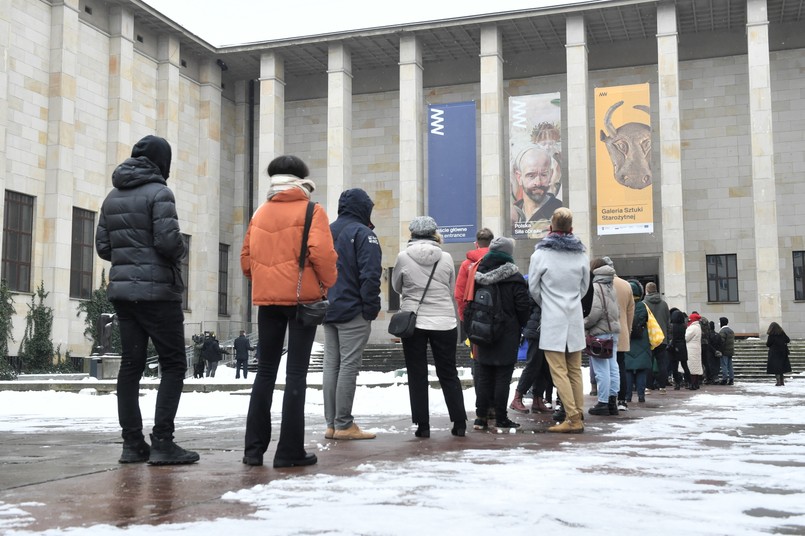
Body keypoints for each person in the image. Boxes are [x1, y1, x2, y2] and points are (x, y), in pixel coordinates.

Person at [95, 134, 199, 465]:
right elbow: (169, 243)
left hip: (125, 295)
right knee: (173, 364)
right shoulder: (160, 193)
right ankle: (163, 442)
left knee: (131, 365)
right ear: (162, 162)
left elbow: (103, 247)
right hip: (158, 295)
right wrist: (179, 252)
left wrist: (131, 260)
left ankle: (132, 444)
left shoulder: (112, 197)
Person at [241, 155, 338, 468]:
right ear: (302, 180)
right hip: (302, 301)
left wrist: (266, 278)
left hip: (267, 302)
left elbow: (246, 260)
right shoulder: (313, 210)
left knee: (265, 373)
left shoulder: (260, 212)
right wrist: (327, 282)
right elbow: (323, 255)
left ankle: (252, 451)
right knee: (296, 373)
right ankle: (289, 451)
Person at [392, 216, 467, 438]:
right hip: (444, 321)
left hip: (414, 321)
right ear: (434, 234)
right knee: (448, 372)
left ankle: (423, 426)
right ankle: (459, 422)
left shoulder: (403, 257)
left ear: (412, 234)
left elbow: (397, 286)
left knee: (417, 373)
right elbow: (450, 287)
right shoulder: (446, 257)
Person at [322, 188, 382, 441]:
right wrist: (371, 308)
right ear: (363, 209)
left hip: (329, 307)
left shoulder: (326, 231)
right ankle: (344, 424)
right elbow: (370, 274)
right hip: (353, 309)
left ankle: (332, 424)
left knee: (331, 366)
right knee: (348, 366)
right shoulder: (363, 234)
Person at [528, 207, 589, 433]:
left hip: (552, 317)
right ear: (571, 229)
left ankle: (572, 418)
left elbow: (533, 287)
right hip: (573, 316)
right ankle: (578, 414)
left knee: (559, 370)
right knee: (574, 369)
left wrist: (548, 303)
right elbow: (584, 288)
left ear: (550, 227)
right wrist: (571, 301)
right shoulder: (581, 255)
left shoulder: (540, 255)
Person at [470, 237, 530, 430]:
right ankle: (501, 417)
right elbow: (523, 307)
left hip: (483, 331)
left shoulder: (479, 273)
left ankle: (481, 417)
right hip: (507, 333)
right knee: (503, 376)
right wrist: (520, 325)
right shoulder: (515, 277)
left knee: (484, 374)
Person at [583, 258, 620, 416]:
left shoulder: (595, 287)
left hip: (600, 332)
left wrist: (583, 323)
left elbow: (595, 312)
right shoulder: (611, 285)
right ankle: (613, 402)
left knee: (601, 369)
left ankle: (603, 402)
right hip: (613, 330)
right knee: (613, 367)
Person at [512, 146, 563, 238]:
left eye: (543, 175)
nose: (538, 182)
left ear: (551, 175)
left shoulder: (560, 212)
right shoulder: (514, 213)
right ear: (519, 177)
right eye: (531, 175)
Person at [610, 260, 635, 411]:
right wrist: (628, 329)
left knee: (606, 367)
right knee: (620, 366)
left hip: (604, 330)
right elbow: (631, 311)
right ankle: (622, 400)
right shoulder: (626, 285)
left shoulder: (599, 284)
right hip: (622, 329)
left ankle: (608, 398)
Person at [455, 228, 494, 321]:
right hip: (498, 315)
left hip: (474, 315)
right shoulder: (501, 261)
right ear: (492, 243)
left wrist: (463, 316)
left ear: (476, 244)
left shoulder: (466, 264)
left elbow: (460, 293)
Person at [624, 280, 651, 404]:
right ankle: (641, 396)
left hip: (627, 340)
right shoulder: (642, 306)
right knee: (641, 370)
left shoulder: (624, 305)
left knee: (628, 370)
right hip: (642, 341)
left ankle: (627, 396)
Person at [643, 282, 671, 393]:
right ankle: (662, 387)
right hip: (662, 338)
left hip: (649, 338)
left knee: (648, 363)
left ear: (647, 290)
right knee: (662, 363)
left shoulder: (643, 304)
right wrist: (668, 337)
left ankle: (648, 386)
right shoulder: (664, 304)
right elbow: (668, 323)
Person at [668, 308, 691, 389]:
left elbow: (672, 338)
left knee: (675, 367)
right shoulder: (684, 326)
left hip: (674, 347)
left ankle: (677, 383)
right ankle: (689, 382)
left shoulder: (671, 326)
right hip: (682, 346)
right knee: (685, 365)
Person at [765, 321, 791, 386]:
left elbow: (768, 344)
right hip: (782, 352)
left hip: (774, 353)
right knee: (781, 368)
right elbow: (788, 340)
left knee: (776, 368)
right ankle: (782, 382)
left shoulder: (771, 335)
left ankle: (778, 382)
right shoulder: (782, 333)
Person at [685, 312, 704, 390]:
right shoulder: (698, 327)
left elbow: (686, 338)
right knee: (695, 367)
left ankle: (692, 384)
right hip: (696, 349)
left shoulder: (692, 328)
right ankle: (696, 384)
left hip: (691, 349)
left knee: (691, 368)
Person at [718, 317, 735, 385]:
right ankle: (731, 379)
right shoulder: (731, 331)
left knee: (724, 365)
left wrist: (720, 351)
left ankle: (724, 379)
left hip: (724, 351)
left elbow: (722, 342)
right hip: (730, 350)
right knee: (730, 366)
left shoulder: (722, 331)